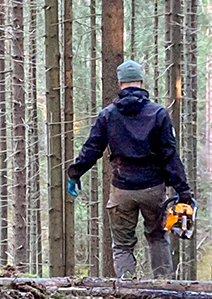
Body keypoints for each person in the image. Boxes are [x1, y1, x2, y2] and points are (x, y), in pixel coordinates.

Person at [67, 59, 195, 279]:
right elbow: (170, 156)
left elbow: (92, 149)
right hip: (153, 190)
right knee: (157, 237)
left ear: (120, 82)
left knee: (122, 245)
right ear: (141, 81)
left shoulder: (108, 115)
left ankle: (125, 291)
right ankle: (164, 288)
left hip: (122, 190)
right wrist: (184, 191)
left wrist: (75, 173)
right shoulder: (159, 114)